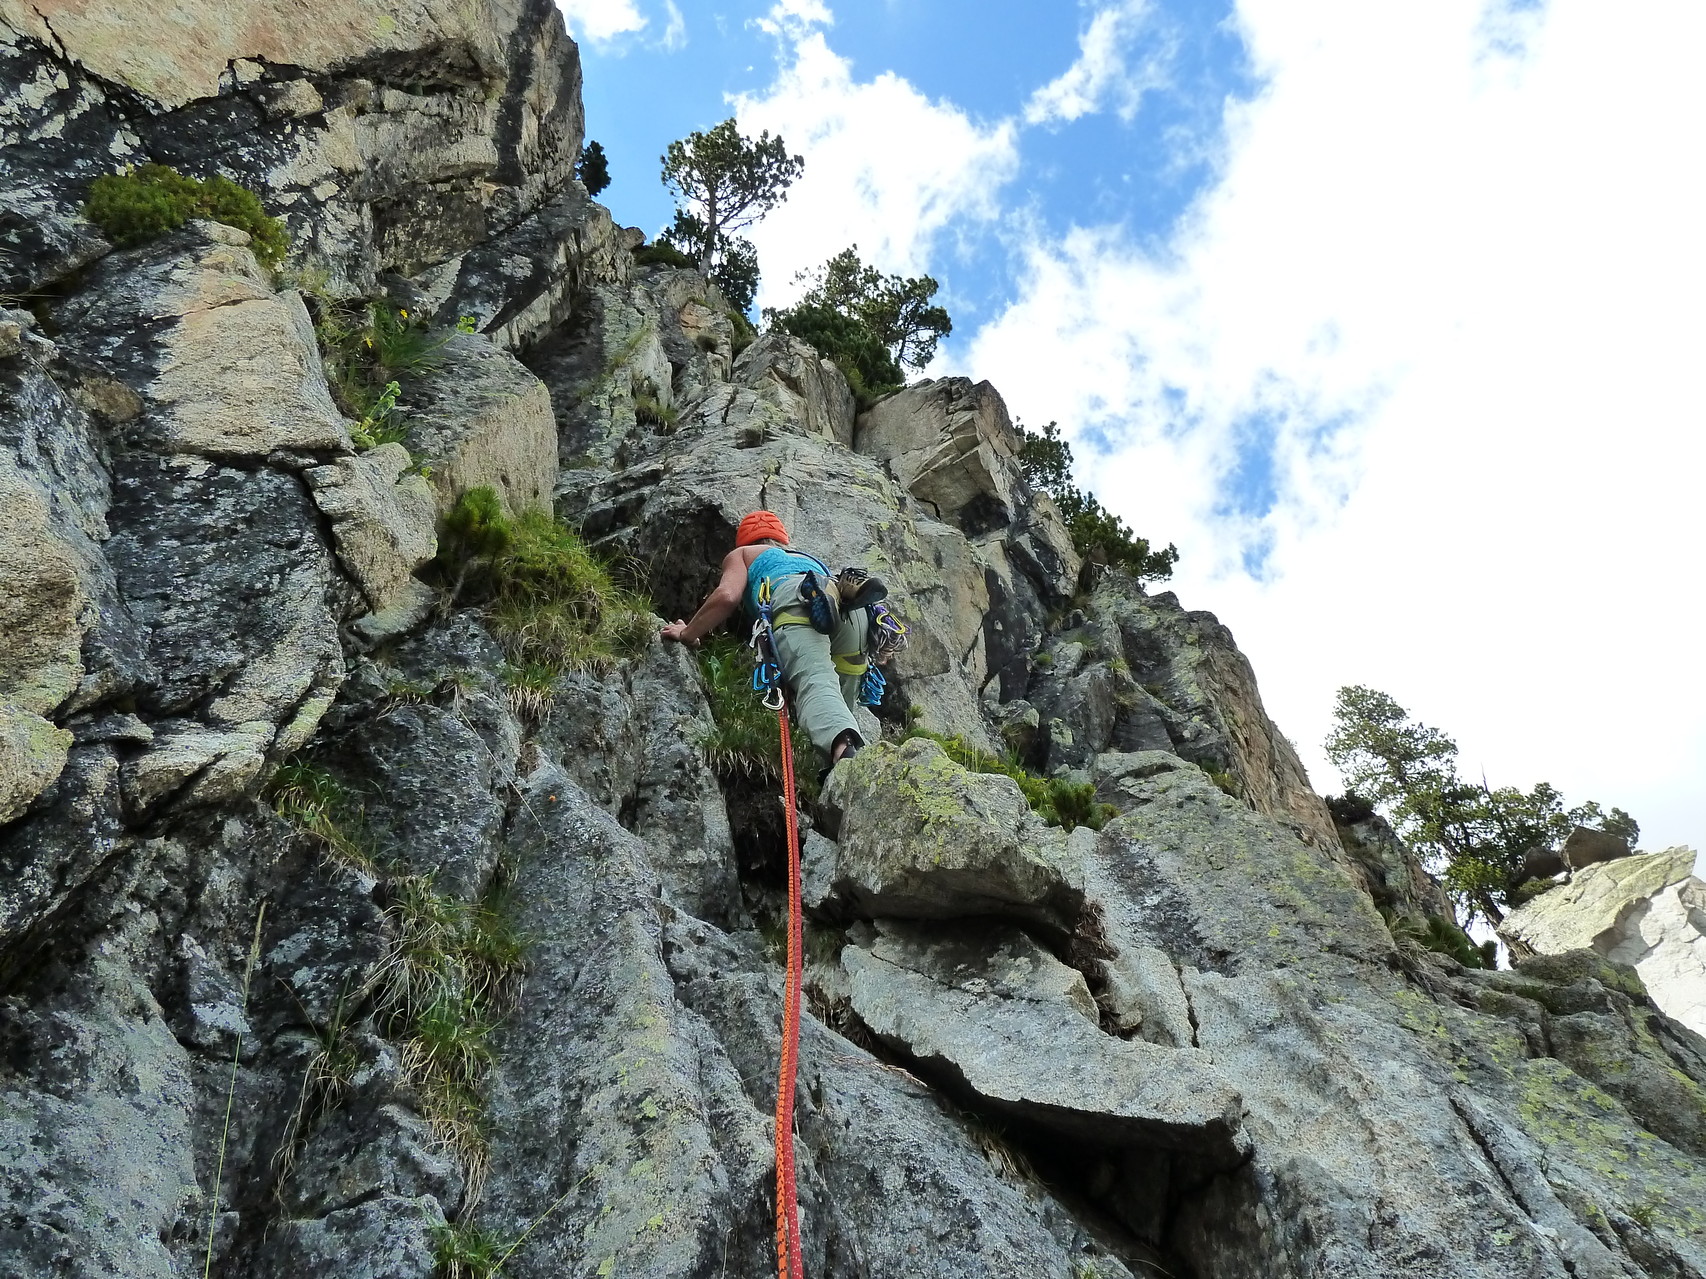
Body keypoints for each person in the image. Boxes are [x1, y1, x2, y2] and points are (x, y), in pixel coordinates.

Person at [661, 511, 869, 769]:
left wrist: (687, 633)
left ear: (744, 541)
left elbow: (726, 596)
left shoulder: (744, 555)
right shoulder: (802, 557)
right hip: (847, 606)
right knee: (842, 694)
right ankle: (839, 768)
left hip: (796, 597)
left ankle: (844, 752)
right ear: (783, 538)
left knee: (815, 678)